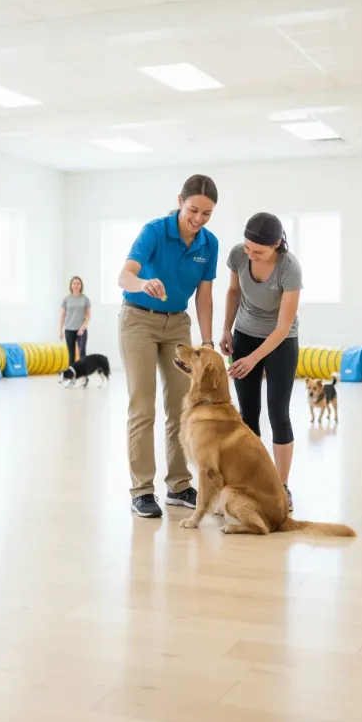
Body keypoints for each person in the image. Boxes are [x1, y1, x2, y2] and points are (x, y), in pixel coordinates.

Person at [118, 174, 219, 518]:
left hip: (178, 323)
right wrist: (144, 283)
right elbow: (124, 275)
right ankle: (142, 490)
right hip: (139, 320)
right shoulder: (155, 232)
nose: (199, 219)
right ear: (180, 201)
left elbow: (204, 295)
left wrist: (206, 342)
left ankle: (178, 485)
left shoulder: (209, 244)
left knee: (182, 406)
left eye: (207, 213)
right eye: (193, 210)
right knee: (142, 407)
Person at [220, 213, 302, 511]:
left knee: (279, 412)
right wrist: (226, 329)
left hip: (281, 340)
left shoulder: (289, 268)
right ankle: (251, 481)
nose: (250, 255)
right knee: (248, 413)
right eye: (247, 248)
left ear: (277, 245)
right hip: (244, 333)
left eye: (258, 251)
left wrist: (254, 359)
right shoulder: (237, 255)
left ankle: (281, 487)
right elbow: (232, 291)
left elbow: (283, 326)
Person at [60, 276, 90, 365]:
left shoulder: (85, 299)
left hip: (81, 330)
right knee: (71, 354)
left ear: (81, 286)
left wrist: (83, 326)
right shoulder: (66, 299)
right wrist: (60, 331)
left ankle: (84, 375)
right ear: (71, 285)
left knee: (82, 353)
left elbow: (88, 315)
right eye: (74, 283)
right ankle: (72, 376)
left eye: (78, 283)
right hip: (69, 330)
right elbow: (62, 315)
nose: (76, 285)